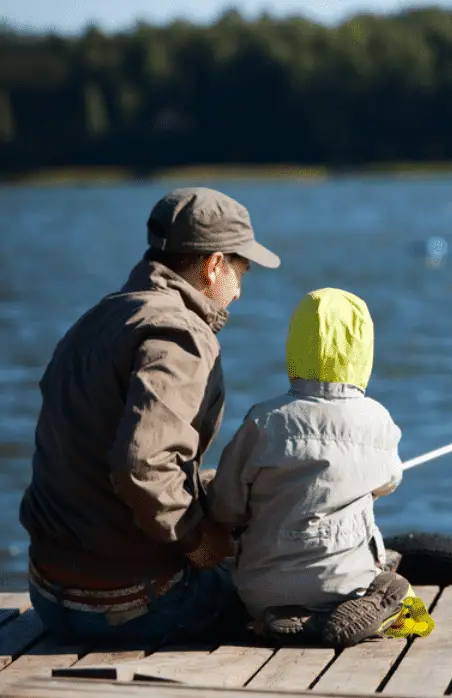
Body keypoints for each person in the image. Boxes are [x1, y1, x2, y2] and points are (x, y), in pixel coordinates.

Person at [20, 186, 281, 645]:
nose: (239, 291)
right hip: (133, 606)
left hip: (50, 596)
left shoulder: (98, 320)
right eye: (241, 271)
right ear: (215, 264)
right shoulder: (179, 335)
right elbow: (142, 466)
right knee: (278, 589)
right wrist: (199, 545)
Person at [207, 287, 432, 647]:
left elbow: (226, 506)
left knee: (258, 577)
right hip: (346, 582)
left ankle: (288, 619)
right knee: (418, 615)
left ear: (295, 348)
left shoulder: (264, 420)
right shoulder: (377, 420)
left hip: (262, 587)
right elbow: (390, 481)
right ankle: (376, 610)